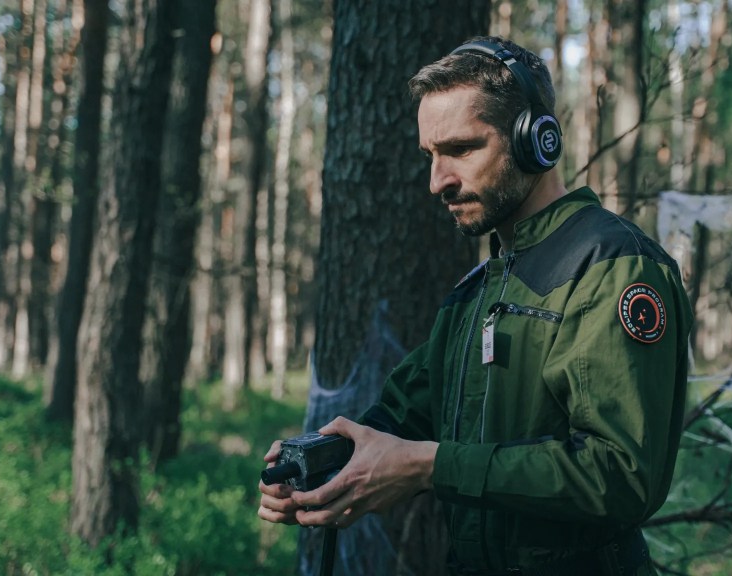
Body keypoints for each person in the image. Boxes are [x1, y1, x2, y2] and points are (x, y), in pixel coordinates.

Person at [258, 35, 693, 576]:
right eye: (430, 155)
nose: (437, 180)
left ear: (538, 140)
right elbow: (400, 417)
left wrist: (429, 466)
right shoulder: (477, 292)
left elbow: (621, 475)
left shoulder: (613, 266)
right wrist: (317, 466)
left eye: (461, 149)